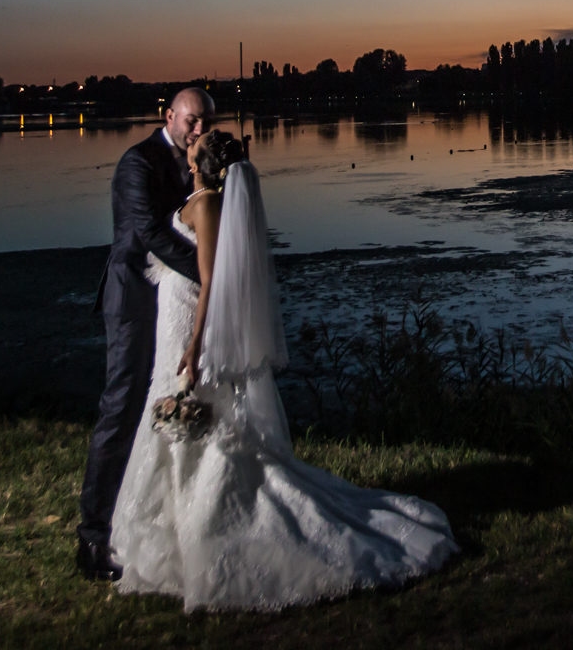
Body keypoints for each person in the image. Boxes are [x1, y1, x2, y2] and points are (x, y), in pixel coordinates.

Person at [111, 130, 457, 610]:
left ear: (202, 161)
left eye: (200, 138)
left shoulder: (208, 204)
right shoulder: (201, 196)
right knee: (178, 412)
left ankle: (214, 521)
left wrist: (195, 345)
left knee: (202, 417)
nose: (192, 138)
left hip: (189, 321)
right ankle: (170, 524)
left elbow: (210, 279)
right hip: (174, 317)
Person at [76, 87, 214, 581]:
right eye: (192, 121)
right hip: (133, 296)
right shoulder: (138, 162)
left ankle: (151, 519)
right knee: (122, 403)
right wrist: (211, 275)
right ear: (170, 115)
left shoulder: (199, 162)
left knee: (168, 398)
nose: (199, 130)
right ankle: (92, 537)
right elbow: (149, 234)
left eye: (206, 123)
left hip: (173, 299)